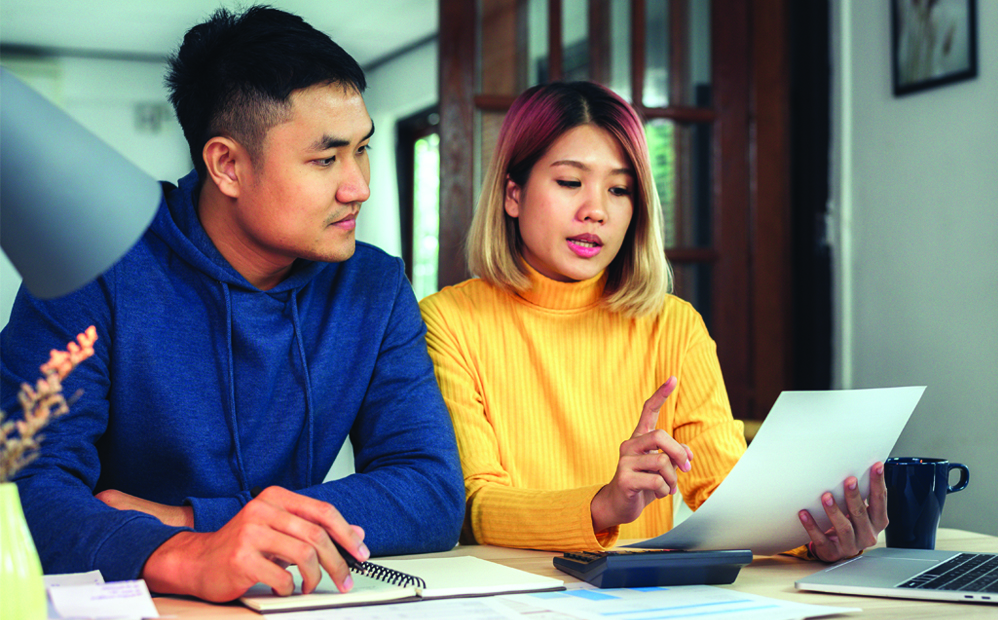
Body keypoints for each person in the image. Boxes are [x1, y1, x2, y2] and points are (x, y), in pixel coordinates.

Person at [0, 6, 463, 602]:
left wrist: (192, 522)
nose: (359, 187)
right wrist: (185, 556)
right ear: (227, 165)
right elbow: (23, 486)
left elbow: (430, 490)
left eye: (363, 149)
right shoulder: (91, 265)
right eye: (326, 159)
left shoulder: (373, 284)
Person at [419, 81, 886, 561]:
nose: (595, 211)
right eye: (569, 182)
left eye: (619, 189)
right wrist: (603, 505)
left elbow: (728, 500)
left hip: (642, 599)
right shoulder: (449, 322)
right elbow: (474, 507)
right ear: (512, 195)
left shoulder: (675, 327)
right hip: (506, 599)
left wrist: (816, 539)